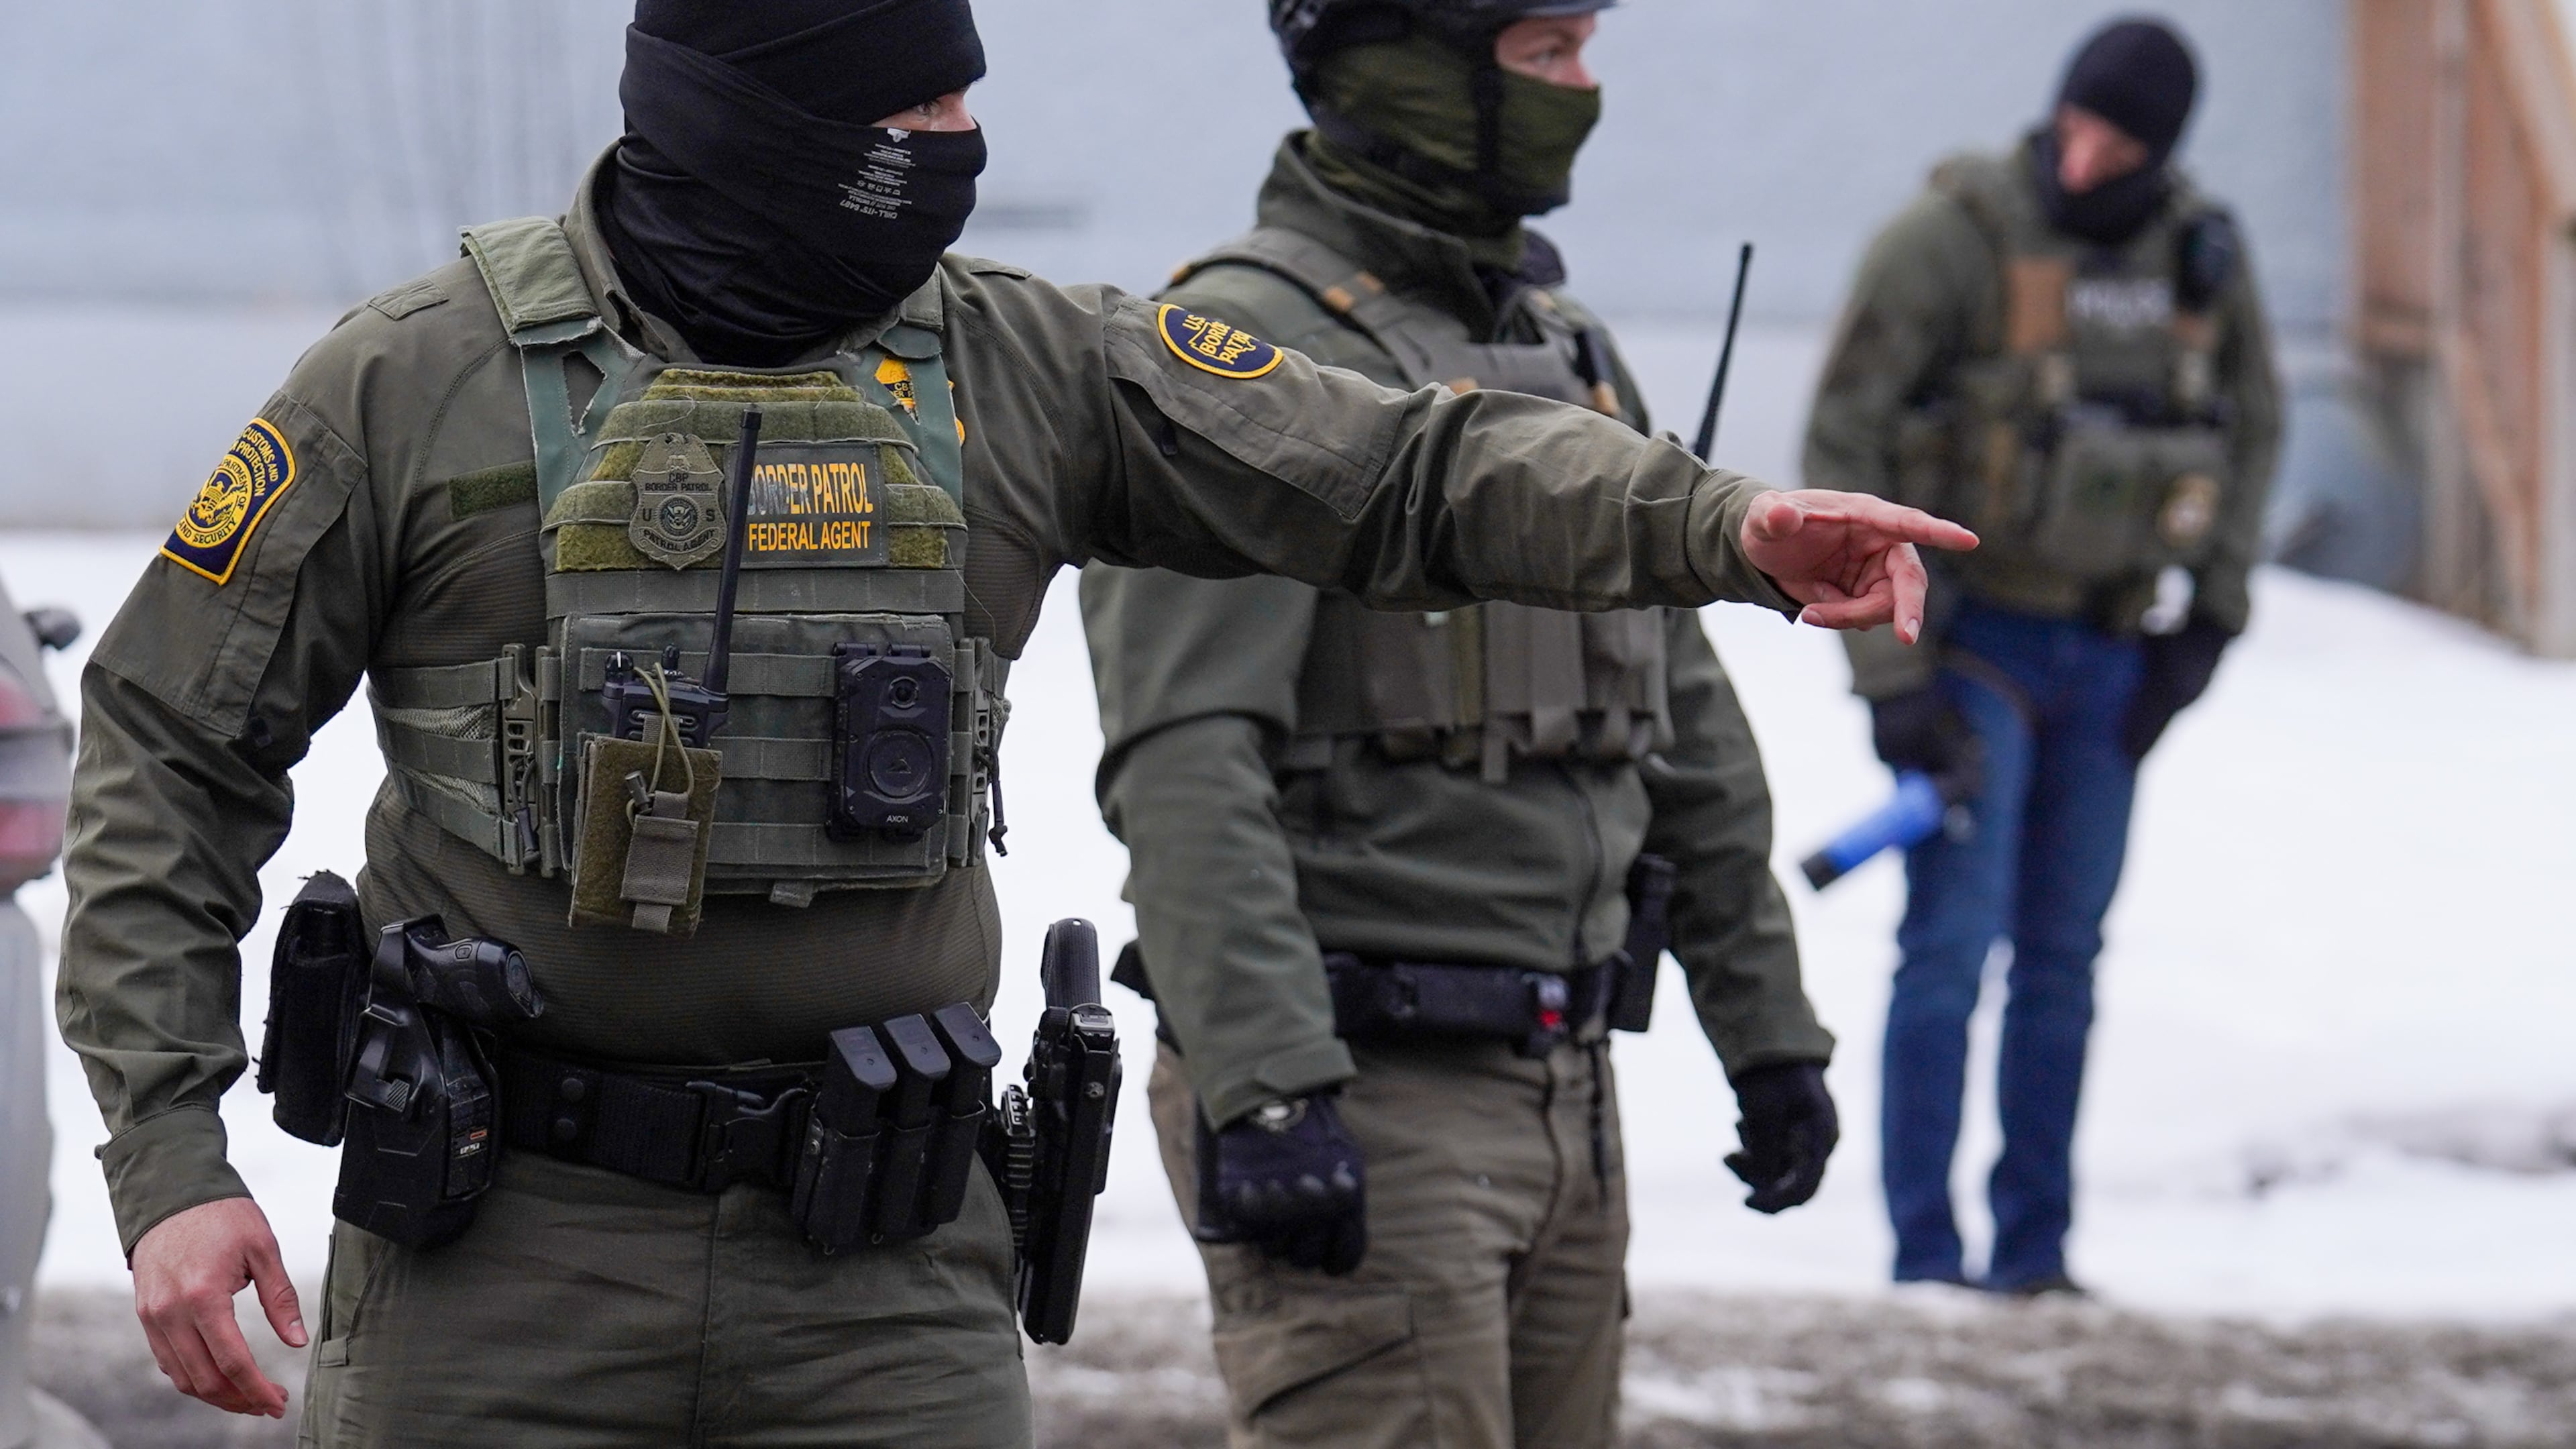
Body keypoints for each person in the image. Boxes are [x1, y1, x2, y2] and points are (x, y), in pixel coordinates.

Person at [56, 1, 1969, 1443]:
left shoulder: (1024, 364)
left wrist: (1718, 525)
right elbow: (166, 739)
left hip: (888, 1282)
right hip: (500, 1263)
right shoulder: (419, 384)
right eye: (919, 113)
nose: (965, 145)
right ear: (765, 121)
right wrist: (171, 1161)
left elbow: (1396, 471)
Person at [1081, 3, 1839, 1445]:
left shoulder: (1566, 348)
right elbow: (1185, 755)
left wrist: (1767, 1031)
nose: (1583, 89)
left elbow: (1682, 715)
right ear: (1414, 70)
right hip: (1368, 1093)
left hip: (1567, 1088)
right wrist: (1268, 1087)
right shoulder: (1244, 348)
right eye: (1544, 55)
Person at [1803, 15, 2281, 1295]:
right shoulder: (1952, 239)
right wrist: (1891, 679)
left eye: (2116, 146)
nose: (2083, 163)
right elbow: (1843, 442)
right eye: (2074, 129)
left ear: (2159, 153)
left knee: (2063, 962)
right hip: (1975, 646)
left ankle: (2036, 1254)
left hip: (2114, 650)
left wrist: (2212, 619)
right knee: (1950, 951)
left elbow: (2254, 426)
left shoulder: (2199, 257)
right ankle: (1925, 1259)